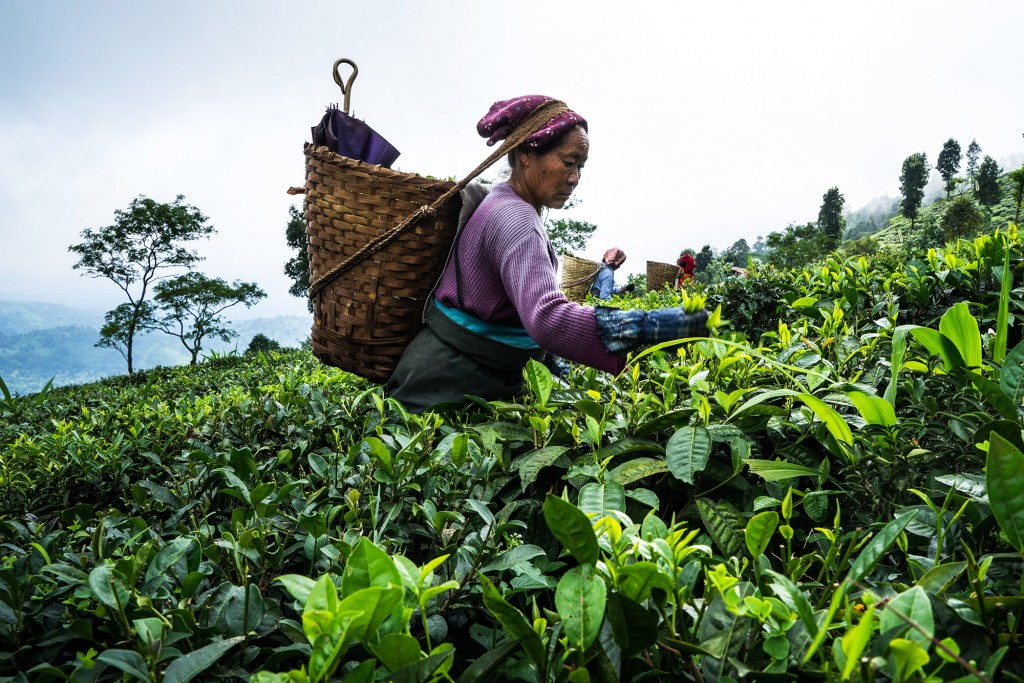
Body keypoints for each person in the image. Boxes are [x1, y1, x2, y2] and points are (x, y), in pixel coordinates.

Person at [386, 95, 709, 413]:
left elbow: (514, 309)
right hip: (449, 384)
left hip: (453, 371)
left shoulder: (502, 201)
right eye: (568, 163)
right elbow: (547, 319)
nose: (575, 178)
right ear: (527, 153)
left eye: (581, 167)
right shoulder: (516, 218)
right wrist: (652, 325)